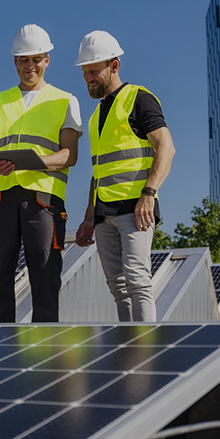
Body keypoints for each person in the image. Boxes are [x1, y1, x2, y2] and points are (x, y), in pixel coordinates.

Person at [73, 30, 175, 322]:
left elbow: (166, 147)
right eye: (84, 72)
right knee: (118, 288)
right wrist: (89, 217)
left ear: (114, 66)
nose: (88, 78)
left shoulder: (139, 99)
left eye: (93, 71)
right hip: (104, 214)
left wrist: (149, 194)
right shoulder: (95, 117)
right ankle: (128, 345)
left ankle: (145, 346)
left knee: (137, 282)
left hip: (135, 210)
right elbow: (99, 172)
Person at [0, 24, 82, 323]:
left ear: (47, 60)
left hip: (44, 199)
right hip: (1, 197)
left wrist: (34, 162)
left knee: (45, 274)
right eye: (24, 59)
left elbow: (69, 155)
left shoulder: (65, 101)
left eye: (36, 59)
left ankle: (45, 347)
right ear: (15, 61)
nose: (30, 66)